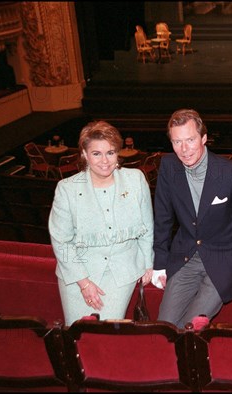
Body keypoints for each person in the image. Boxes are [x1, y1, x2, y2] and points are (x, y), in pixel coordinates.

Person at [152, 109, 232, 329]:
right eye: (177, 142)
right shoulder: (168, 167)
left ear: (204, 138)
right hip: (186, 256)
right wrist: (159, 263)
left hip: (224, 259)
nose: (184, 149)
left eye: (190, 140)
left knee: (191, 327)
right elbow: (163, 217)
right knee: (164, 327)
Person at [48, 120, 154, 325]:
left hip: (121, 272)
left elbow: (147, 226)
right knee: (77, 332)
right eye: (96, 153)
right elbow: (61, 241)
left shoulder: (135, 179)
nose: (105, 161)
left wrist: (147, 262)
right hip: (77, 274)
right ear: (85, 155)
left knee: (106, 333)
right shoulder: (67, 189)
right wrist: (84, 283)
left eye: (111, 153)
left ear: (118, 153)